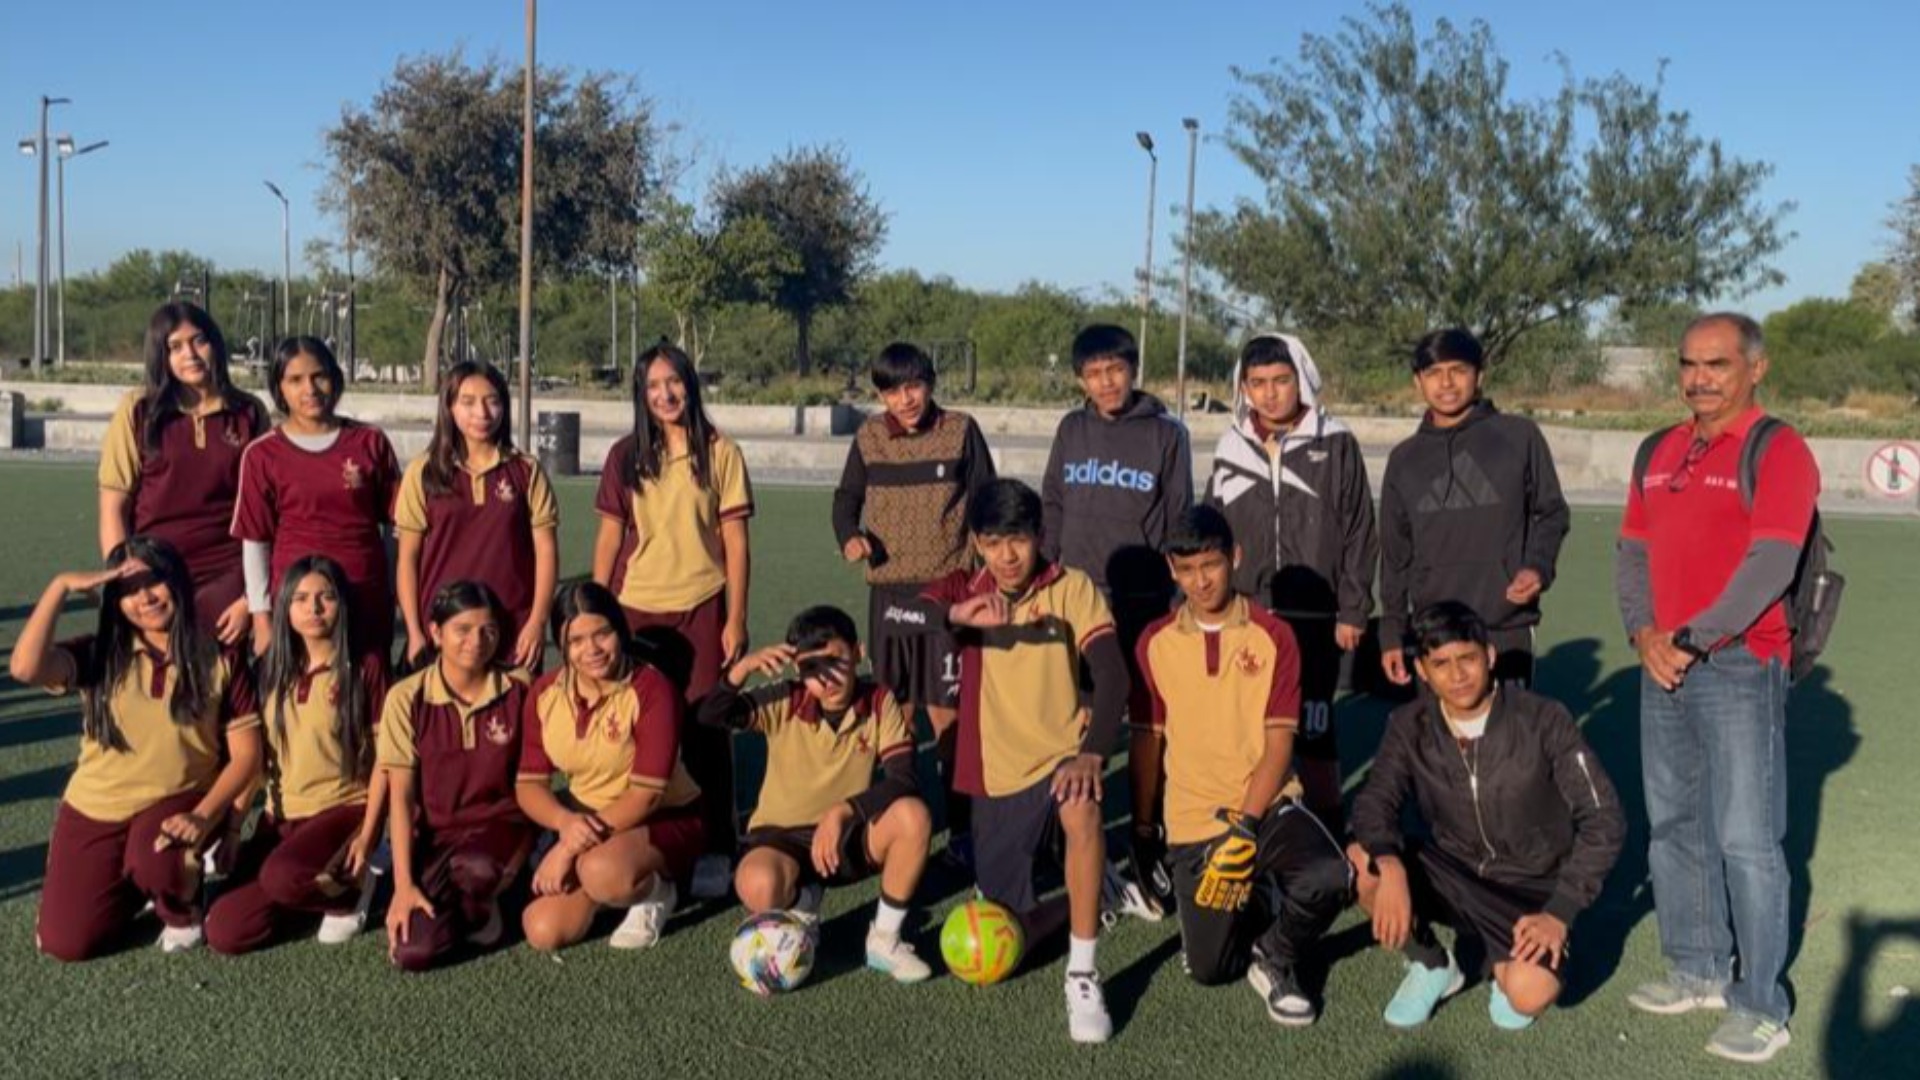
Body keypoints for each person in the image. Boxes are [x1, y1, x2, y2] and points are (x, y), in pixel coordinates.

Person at [1614, 312, 1820, 1064]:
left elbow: (1771, 565)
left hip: (1738, 664)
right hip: (1662, 663)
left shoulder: (1779, 449)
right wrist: (1645, 635)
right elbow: (1631, 553)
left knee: (1746, 839)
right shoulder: (1657, 449)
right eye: (1689, 364)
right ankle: (1698, 967)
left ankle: (1761, 1005)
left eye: (1718, 364)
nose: (1699, 378)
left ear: (1755, 369)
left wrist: (1693, 639)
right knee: (1674, 825)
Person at [1347, 601, 1624, 1032]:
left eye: (1468, 659)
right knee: (1362, 862)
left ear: (1490, 656)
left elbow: (1604, 818)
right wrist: (1390, 864)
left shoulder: (1543, 719)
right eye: (1441, 664)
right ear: (1422, 670)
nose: (1457, 675)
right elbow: (1373, 802)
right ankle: (1433, 965)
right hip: (1454, 872)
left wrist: (1560, 910)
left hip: (1530, 889)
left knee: (1528, 993)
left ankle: (1504, 963)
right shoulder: (1408, 724)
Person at [919, 479, 1129, 1043]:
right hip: (998, 775)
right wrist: (957, 615)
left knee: (1082, 809)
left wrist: (1091, 754)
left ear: (1039, 535)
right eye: (992, 542)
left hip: (1061, 759)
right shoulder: (965, 587)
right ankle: (1094, 892)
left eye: (1018, 539)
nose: (1007, 556)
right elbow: (903, 619)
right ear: (976, 543)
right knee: (1008, 931)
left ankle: (1082, 972)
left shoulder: (1071, 587)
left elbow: (1112, 674)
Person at [1131, 506, 1352, 1025]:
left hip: (1265, 807)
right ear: (1171, 569)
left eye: (1210, 564)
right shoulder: (1154, 642)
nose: (1200, 580)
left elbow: (1279, 743)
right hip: (1194, 820)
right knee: (1210, 969)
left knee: (1329, 875)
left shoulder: (1273, 635)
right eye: (1187, 569)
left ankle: (1275, 954)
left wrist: (1247, 829)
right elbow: (1148, 740)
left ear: (1234, 557)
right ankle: (1261, 900)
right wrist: (1143, 829)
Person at [11, 536, 262, 960]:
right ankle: (126, 884)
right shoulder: (99, 653)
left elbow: (248, 755)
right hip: (97, 807)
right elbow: (24, 668)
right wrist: (59, 587)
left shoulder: (217, 654)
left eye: (155, 581)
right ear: (115, 600)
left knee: (155, 859)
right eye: (129, 589)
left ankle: (182, 907)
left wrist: (204, 816)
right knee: (67, 942)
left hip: (179, 801)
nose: (145, 597)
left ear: (177, 581)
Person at [1040, 323, 1192, 920]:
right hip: (1076, 598)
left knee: (1145, 722)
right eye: (1094, 373)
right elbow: (1053, 503)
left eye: (1115, 370)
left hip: (1141, 601)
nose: (1106, 383)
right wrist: (1046, 576)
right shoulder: (1071, 429)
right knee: (1075, 717)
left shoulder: (1166, 434)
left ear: (1133, 370)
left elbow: (1177, 515)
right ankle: (1079, 842)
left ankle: (1146, 837)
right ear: (1081, 379)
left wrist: (1173, 595)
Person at [699, 605, 933, 983]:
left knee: (913, 815)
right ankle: (801, 903)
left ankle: (884, 939)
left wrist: (842, 812)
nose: (825, 678)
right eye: (811, 668)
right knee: (757, 883)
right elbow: (709, 717)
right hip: (780, 838)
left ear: (857, 652)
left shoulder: (879, 700)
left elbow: (903, 779)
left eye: (835, 661)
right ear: (797, 671)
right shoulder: (786, 699)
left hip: (845, 837)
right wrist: (741, 671)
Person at [593, 343, 752, 893]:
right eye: (653, 386)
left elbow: (736, 541)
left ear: (691, 383)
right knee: (642, 728)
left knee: (706, 726)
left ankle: (718, 844)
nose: (665, 394)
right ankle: (641, 832)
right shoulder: (625, 455)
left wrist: (736, 617)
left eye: (674, 382)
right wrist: (597, 610)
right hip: (636, 609)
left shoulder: (721, 451)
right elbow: (610, 537)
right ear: (641, 394)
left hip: (702, 605)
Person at [831, 342, 995, 863]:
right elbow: (846, 498)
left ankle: (963, 830)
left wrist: (988, 568)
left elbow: (987, 499)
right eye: (892, 391)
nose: (906, 399)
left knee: (948, 717)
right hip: (890, 596)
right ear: (880, 395)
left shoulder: (961, 430)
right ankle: (898, 821)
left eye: (914, 386)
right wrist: (849, 536)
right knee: (894, 713)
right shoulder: (869, 436)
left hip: (949, 594)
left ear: (930, 383)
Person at [1205, 332, 1376, 829]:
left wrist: (1353, 608)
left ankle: (1328, 829)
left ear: (1301, 379)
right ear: (1243, 387)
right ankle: (1256, 826)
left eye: (1281, 380)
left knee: (1315, 731)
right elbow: (1213, 527)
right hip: (1249, 613)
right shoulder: (1231, 444)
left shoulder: (1335, 442)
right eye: (1257, 383)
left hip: (1316, 617)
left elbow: (1360, 530)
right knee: (1249, 729)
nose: (1270, 393)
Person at [205, 555, 388, 953]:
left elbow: (385, 763)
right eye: (301, 599)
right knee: (226, 930)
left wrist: (369, 834)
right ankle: (309, 885)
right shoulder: (270, 668)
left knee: (280, 876)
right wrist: (234, 827)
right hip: (281, 819)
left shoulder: (365, 666)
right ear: (285, 606)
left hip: (342, 809)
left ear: (342, 604)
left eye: (326, 597)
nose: (314, 608)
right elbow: (257, 760)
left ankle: (354, 889)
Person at [517, 583, 706, 953]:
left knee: (601, 871)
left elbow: (646, 796)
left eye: (602, 634)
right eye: (576, 640)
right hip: (589, 827)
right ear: (561, 644)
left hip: (665, 818)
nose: (592, 650)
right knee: (543, 930)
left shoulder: (652, 690)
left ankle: (657, 890)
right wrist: (565, 823)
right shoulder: (544, 693)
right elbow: (529, 784)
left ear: (621, 630)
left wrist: (567, 848)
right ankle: (609, 885)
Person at [1377, 329, 1569, 690]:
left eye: (1458, 370)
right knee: (1438, 729)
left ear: (1479, 375)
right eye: (1434, 373)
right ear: (1418, 381)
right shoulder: (1404, 459)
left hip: (1506, 626)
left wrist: (1537, 567)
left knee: (1509, 727)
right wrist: (1391, 631)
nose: (1446, 383)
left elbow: (1551, 512)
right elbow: (1395, 555)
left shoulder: (1519, 436)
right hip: (1434, 631)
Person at [378, 582, 533, 972]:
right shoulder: (405, 697)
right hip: (436, 839)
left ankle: (496, 898)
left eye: (488, 630)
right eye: (462, 630)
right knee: (413, 952)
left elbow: (538, 776)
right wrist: (403, 887)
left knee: (477, 869)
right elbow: (401, 798)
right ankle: (491, 904)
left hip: (503, 826)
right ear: (435, 632)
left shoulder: (519, 686)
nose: (476, 642)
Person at [98, 302, 270, 643]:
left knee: (218, 666)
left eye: (198, 341)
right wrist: (128, 580)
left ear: (215, 344)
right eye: (174, 347)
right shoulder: (139, 410)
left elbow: (265, 512)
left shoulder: (248, 412)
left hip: (227, 573)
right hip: (156, 572)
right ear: (160, 355)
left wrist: (250, 598)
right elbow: (113, 507)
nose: (189, 354)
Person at [232, 336, 401, 665]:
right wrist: (261, 617)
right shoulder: (262, 454)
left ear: (334, 378)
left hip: (364, 598)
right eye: (295, 380)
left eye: (318, 376)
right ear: (279, 388)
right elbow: (255, 541)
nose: (309, 389)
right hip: (296, 608)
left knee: (366, 691)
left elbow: (396, 526)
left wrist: (392, 593)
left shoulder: (370, 442)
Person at [396, 360, 559, 670]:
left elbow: (546, 550)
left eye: (492, 401)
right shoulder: (424, 471)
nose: (482, 413)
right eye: (468, 402)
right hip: (445, 630)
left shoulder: (526, 470)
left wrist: (537, 622)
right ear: (449, 407)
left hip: (513, 630)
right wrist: (414, 631)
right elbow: (408, 557)